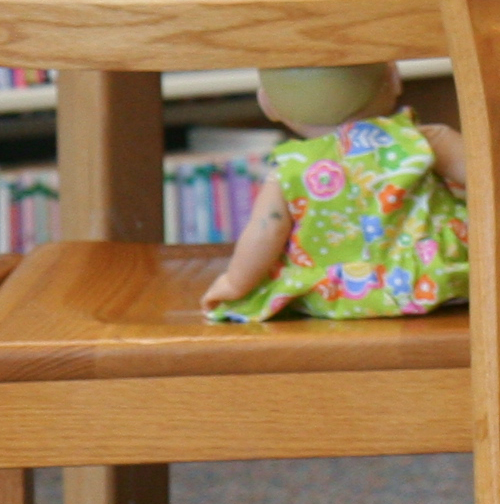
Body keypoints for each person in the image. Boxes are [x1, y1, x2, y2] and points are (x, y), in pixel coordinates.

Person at [198, 64, 469, 322]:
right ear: (395, 79)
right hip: (436, 276)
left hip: (337, 293)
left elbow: (266, 230)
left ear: (268, 105)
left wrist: (235, 283)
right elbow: (491, 179)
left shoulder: (290, 168)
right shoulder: (421, 140)